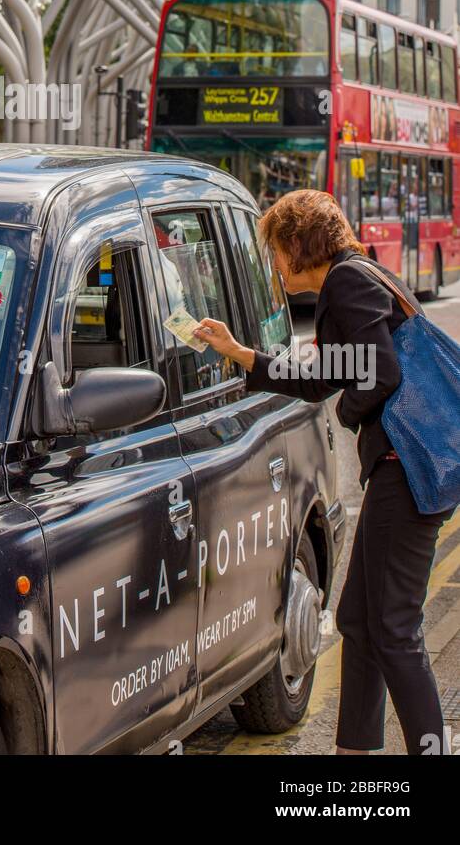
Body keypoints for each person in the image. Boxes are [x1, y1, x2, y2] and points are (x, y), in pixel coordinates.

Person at [193, 189, 456, 757]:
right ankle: (354, 756)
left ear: (295, 245)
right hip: (403, 471)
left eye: (275, 252)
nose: (275, 266)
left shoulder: (347, 282)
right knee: (360, 621)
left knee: (392, 628)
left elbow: (377, 374)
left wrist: (347, 413)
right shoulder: (354, 281)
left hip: (406, 470)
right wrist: (241, 354)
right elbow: (331, 371)